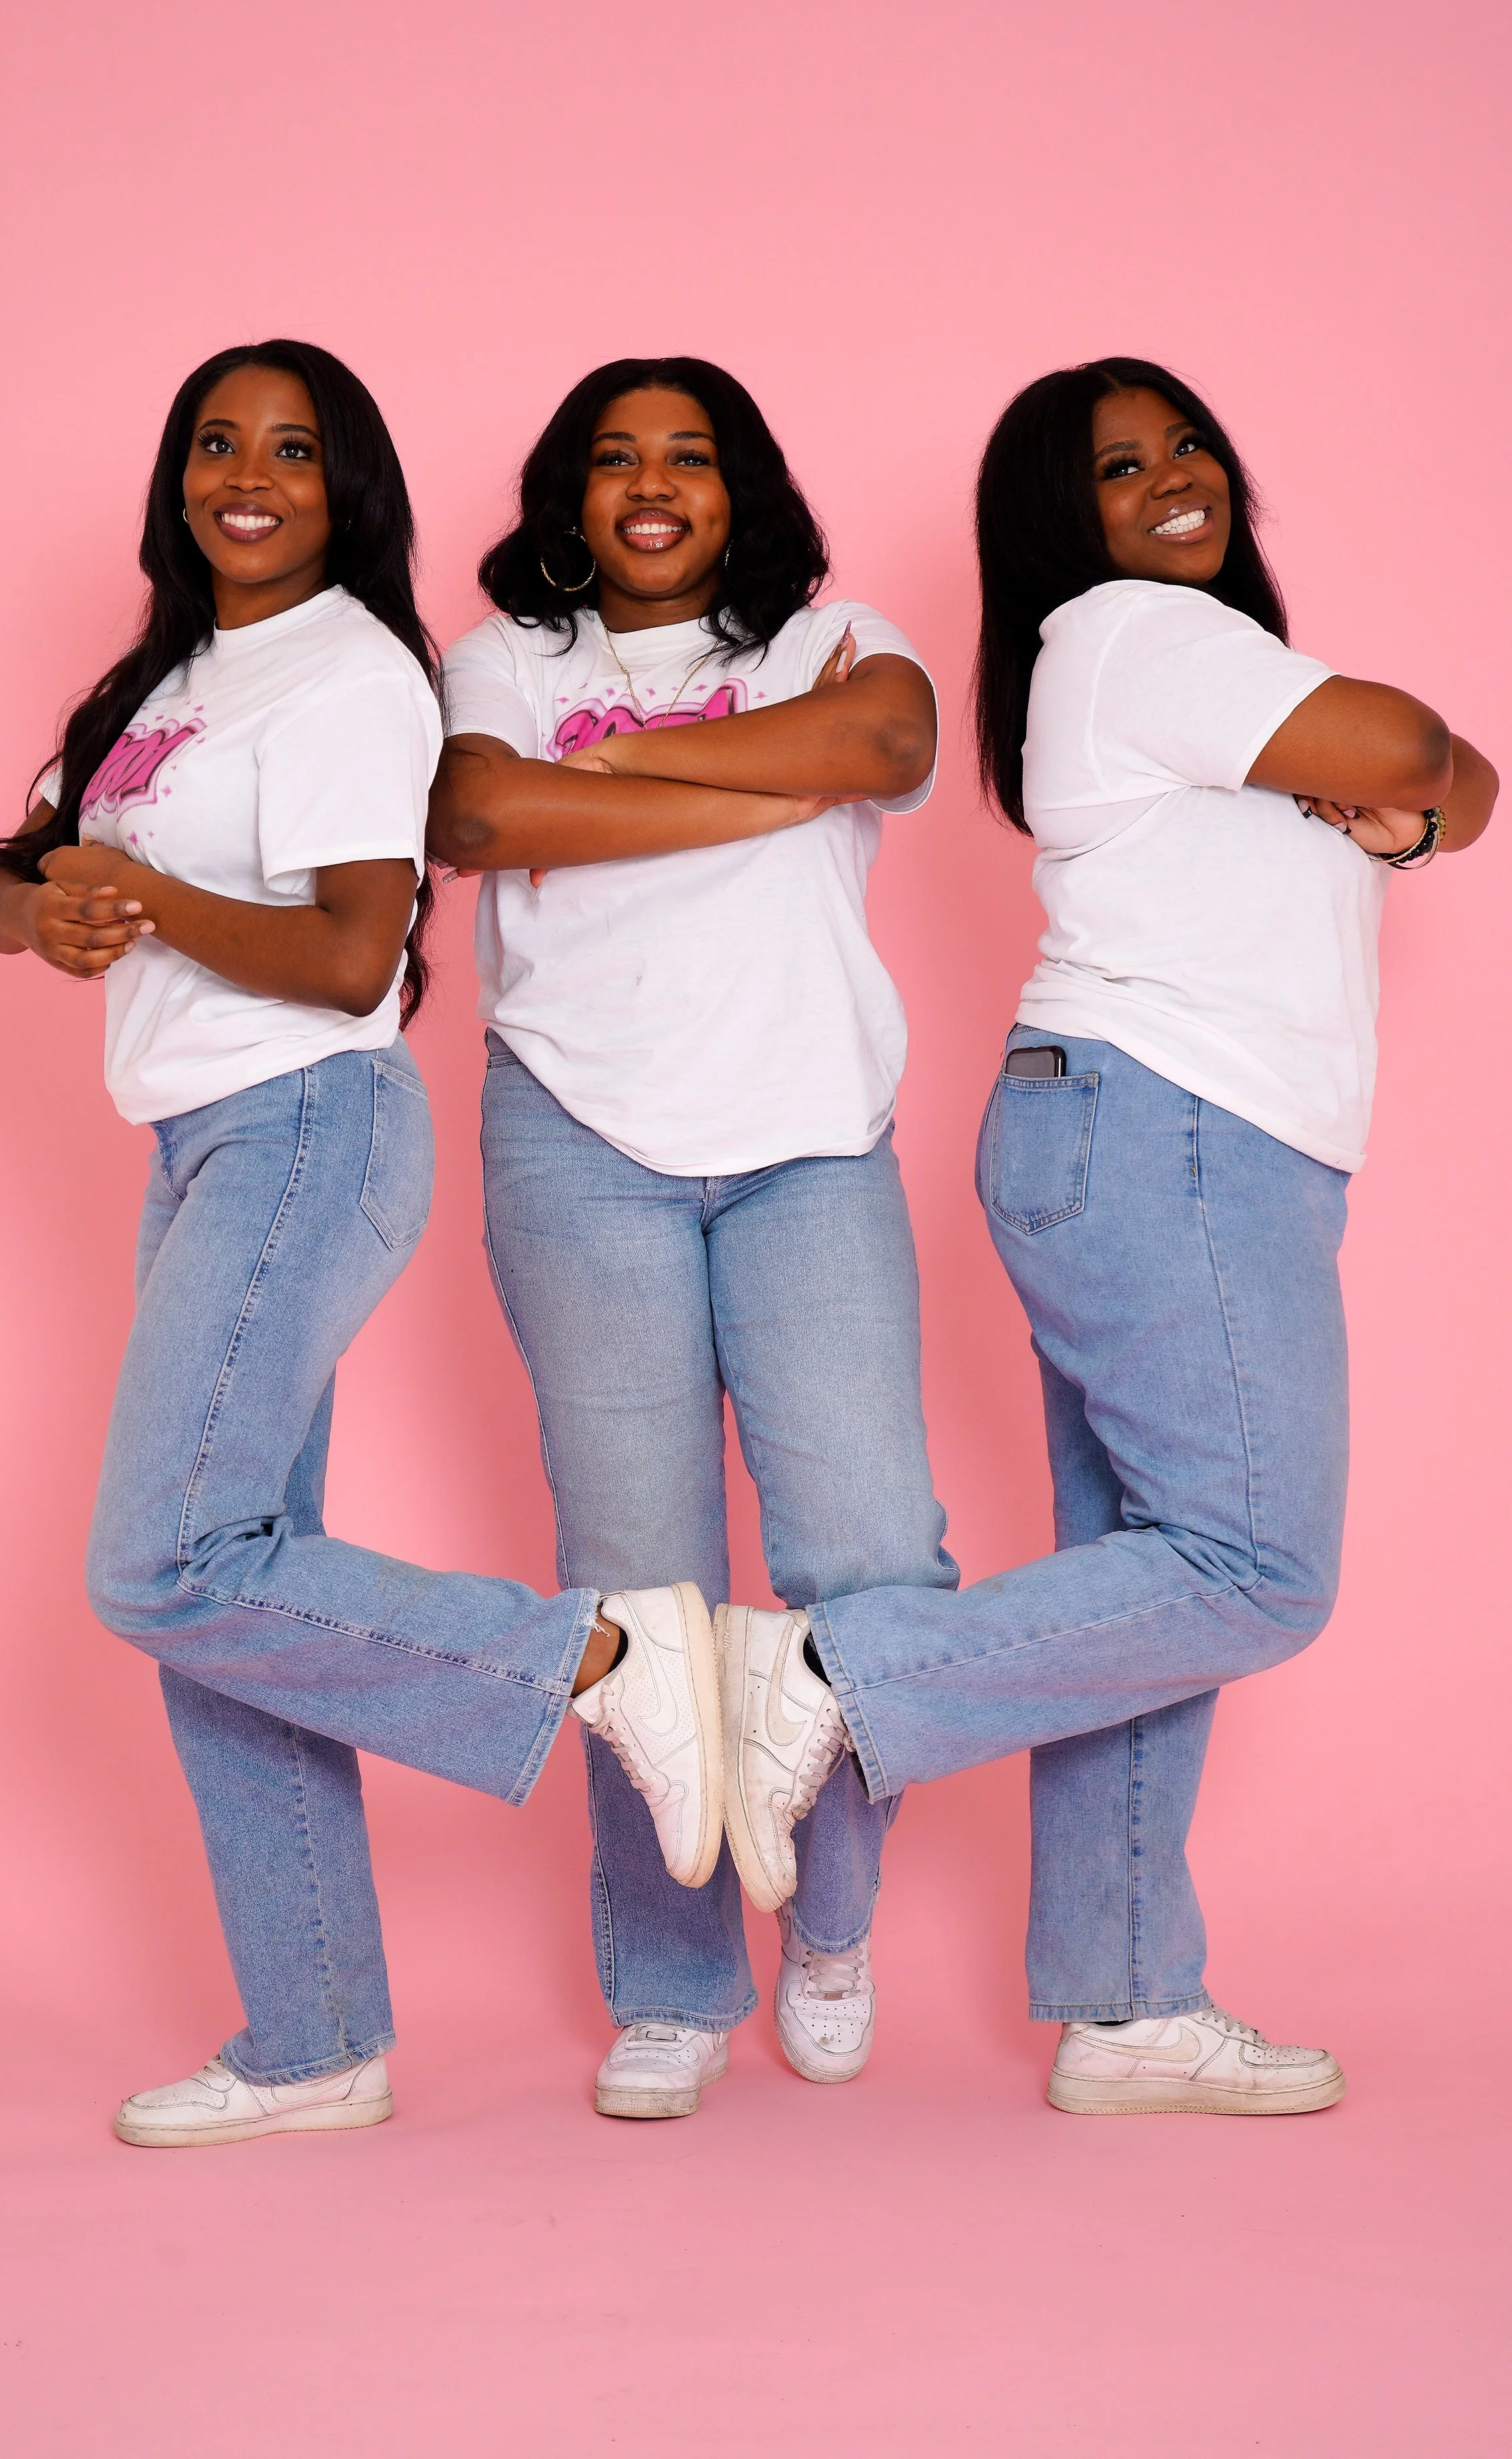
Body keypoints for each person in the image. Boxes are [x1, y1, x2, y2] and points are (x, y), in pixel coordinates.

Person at [707, 356, 1497, 2115]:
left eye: (1185, 444)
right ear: (1059, 524)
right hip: (1173, 1135)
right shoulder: (1140, 632)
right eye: (1116, 468)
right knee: (1251, 1572)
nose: (1168, 478)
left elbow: (1466, 786)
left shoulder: (1219, 676)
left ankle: (1127, 2003)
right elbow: (1408, 758)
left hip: (1148, 1137)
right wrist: (1409, 781)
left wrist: (1422, 788)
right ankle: (833, 1674)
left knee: (1142, 1589)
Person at [0, 339, 721, 2150]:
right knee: (237, 1599)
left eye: (292, 449)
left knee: (164, 1564)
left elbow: (348, 954)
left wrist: (142, 899)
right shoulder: (160, 685)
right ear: (176, 480)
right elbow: (10, 868)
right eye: (218, 443)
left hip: (301, 1122)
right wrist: (38, 909)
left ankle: (603, 1666)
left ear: (345, 487)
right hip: (198, 1143)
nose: (250, 475)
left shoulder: (352, 675)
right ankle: (312, 2038)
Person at [428, 356, 948, 2117]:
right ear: (569, 497)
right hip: (578, 1142)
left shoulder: (834, 637)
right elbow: (480, 814)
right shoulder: (504, 661)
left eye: (690, 457)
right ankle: (670, 1982)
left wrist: (618, 776)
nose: (652, 486)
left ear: (744, 490)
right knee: (637, 1589)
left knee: (865, 1567)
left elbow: (886, 744)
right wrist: (769, 778)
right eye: (614, 459)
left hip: (813, 1146)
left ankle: (831, 1924)